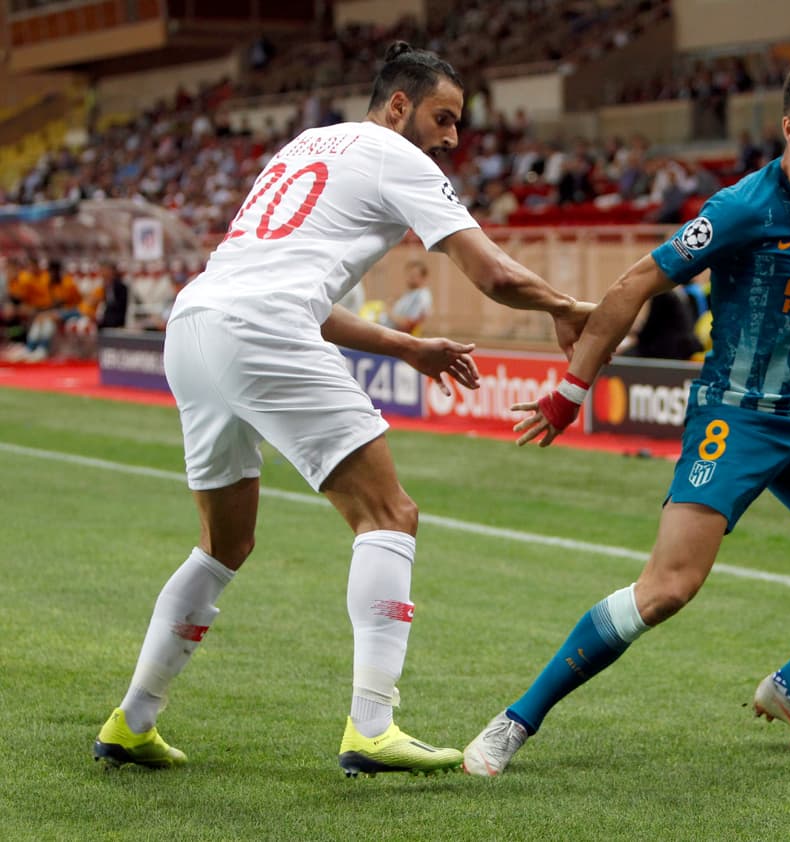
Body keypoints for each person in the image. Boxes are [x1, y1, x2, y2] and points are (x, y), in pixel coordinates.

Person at [93, 42, 592, 778]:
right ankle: (373, 726)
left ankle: (132, 722)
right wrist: (566, 306)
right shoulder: (396, 155)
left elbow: (288, 286)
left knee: (223, 544)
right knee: (389, 515)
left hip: (193, 325)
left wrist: (405, 346)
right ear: (399, 106)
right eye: (443, 118)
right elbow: (491, 272)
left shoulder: (305, 145)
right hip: (261, 329)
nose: (452, 137)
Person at [461, 60, 790, 777]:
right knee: (667, 590)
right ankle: (515, 721)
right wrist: (570, 393)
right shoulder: (741, 208)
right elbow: (634, 284)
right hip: (735, 420)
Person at [388, 260, 434, 336]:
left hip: (400, 337)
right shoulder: (412, 293)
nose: (409, 278)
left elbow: (408, 323)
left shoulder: (421, 296)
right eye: (408, 274)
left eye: (413, 275)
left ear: (423, 278)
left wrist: (388, 312)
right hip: (394, 334)